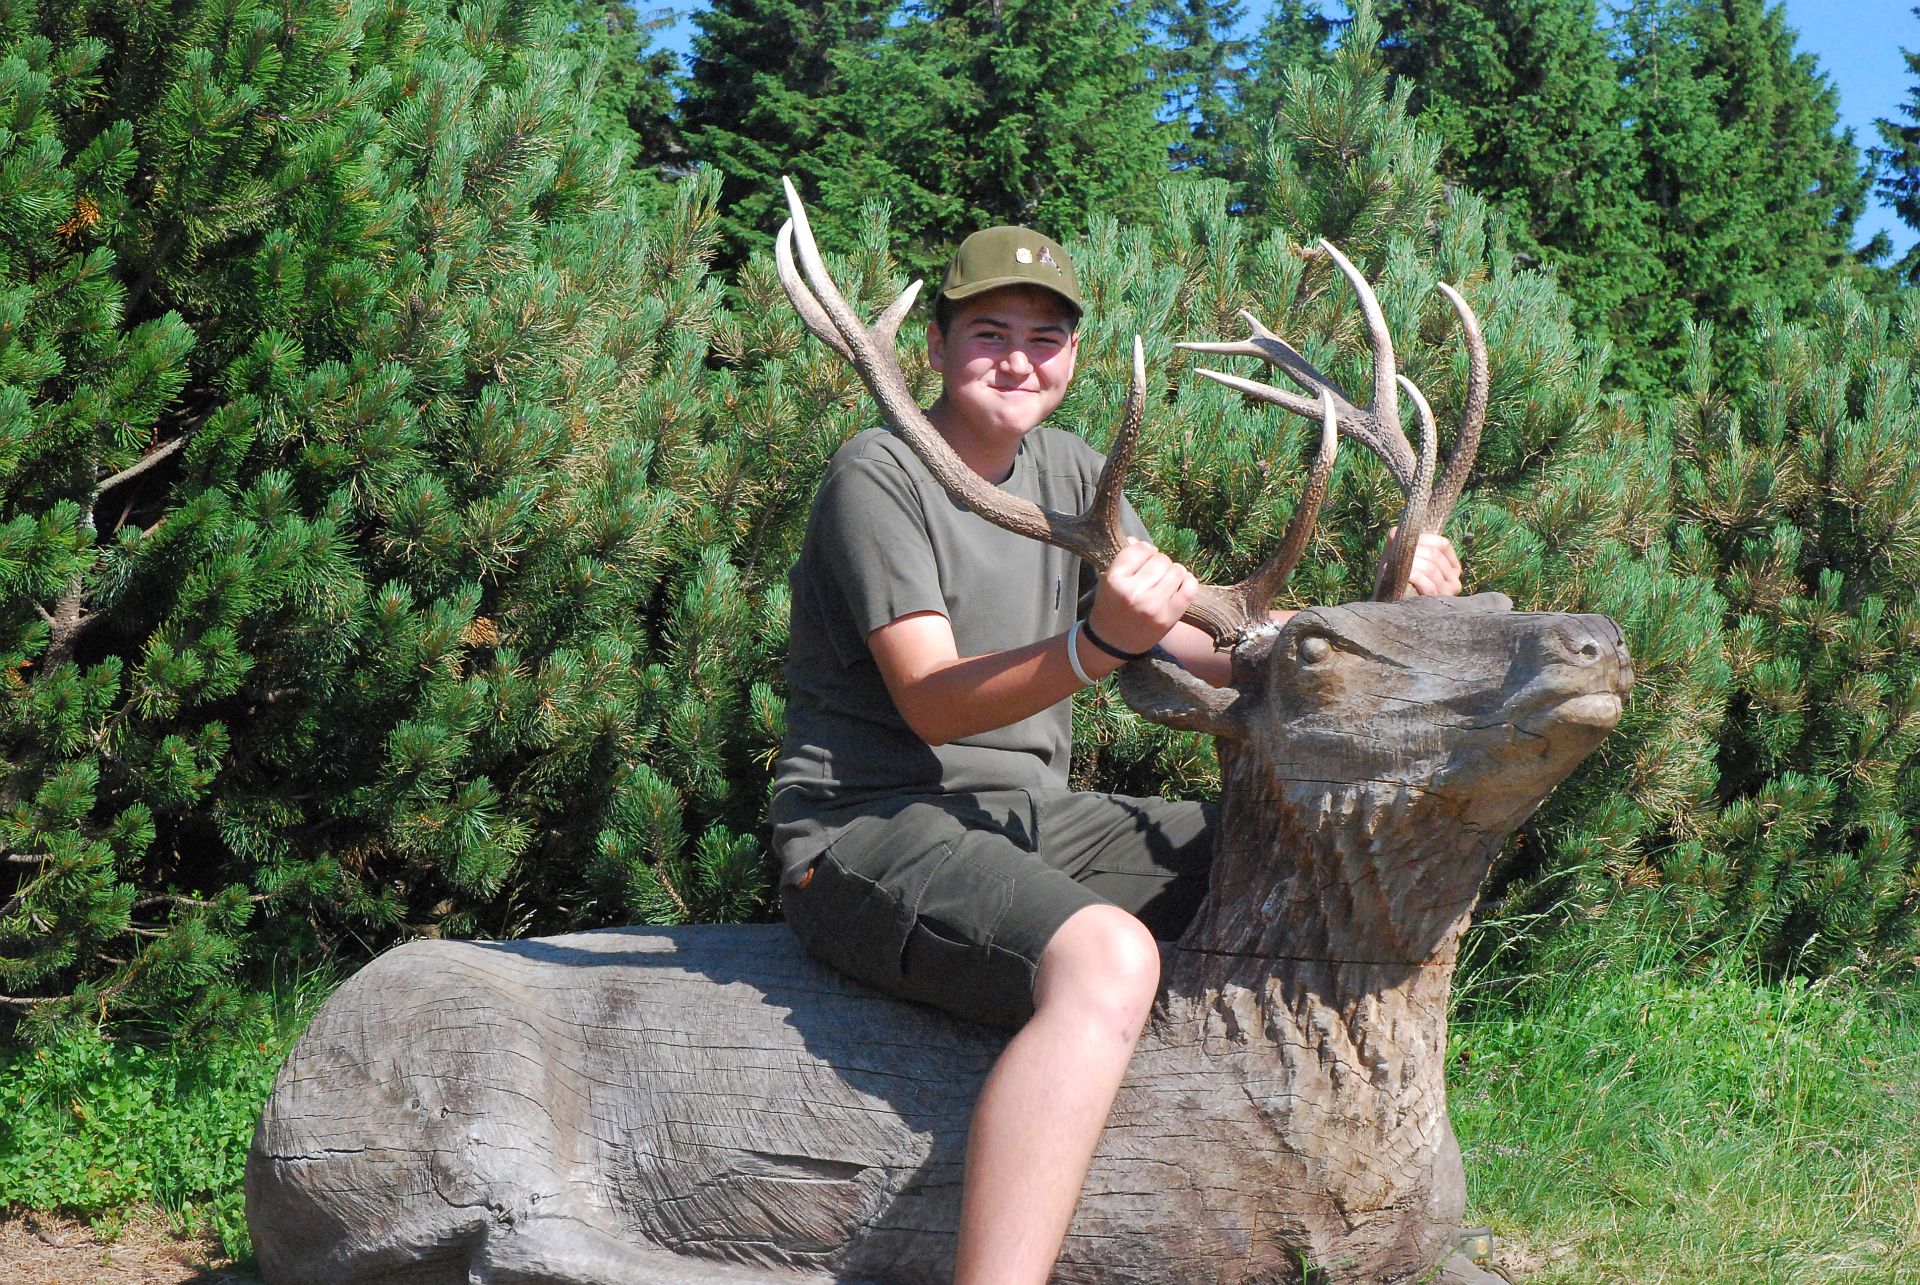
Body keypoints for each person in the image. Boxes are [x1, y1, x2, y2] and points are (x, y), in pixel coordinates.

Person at [769, 226, 1463, 1285]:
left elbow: (1210, 647)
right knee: (1110, 959)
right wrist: (1095, 647)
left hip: (1024, 824)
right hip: (865, 829)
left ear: (1074, 356)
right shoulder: (880, 473)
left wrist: (1380, 614)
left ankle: (1346, 1195)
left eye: (1045, 338)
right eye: (989, 332)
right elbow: (933, 699)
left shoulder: (1072, 471)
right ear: (937, 344)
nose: (1018, 359)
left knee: (1298, 858)